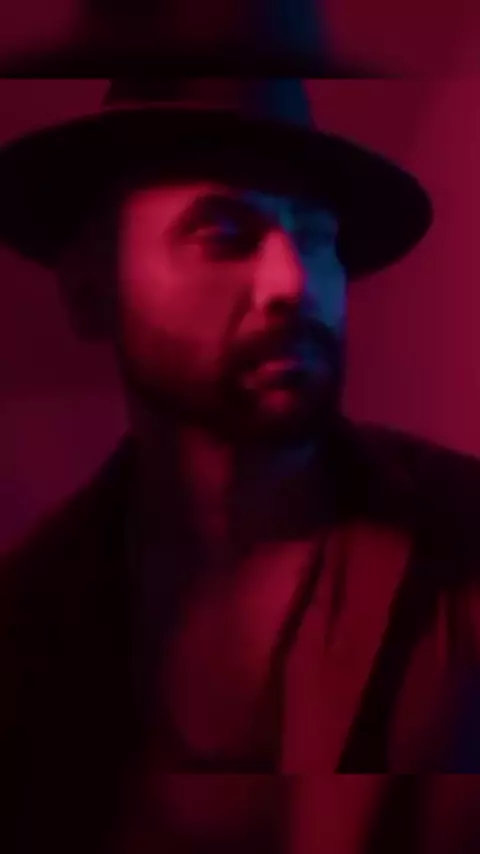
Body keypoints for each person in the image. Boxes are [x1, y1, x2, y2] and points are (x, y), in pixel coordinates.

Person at [2, 3, 480, 854]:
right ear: (91, 289)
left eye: (317, 236)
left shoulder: (465, 543)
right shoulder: (28, 624)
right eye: (224, 233)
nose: (293, 282)